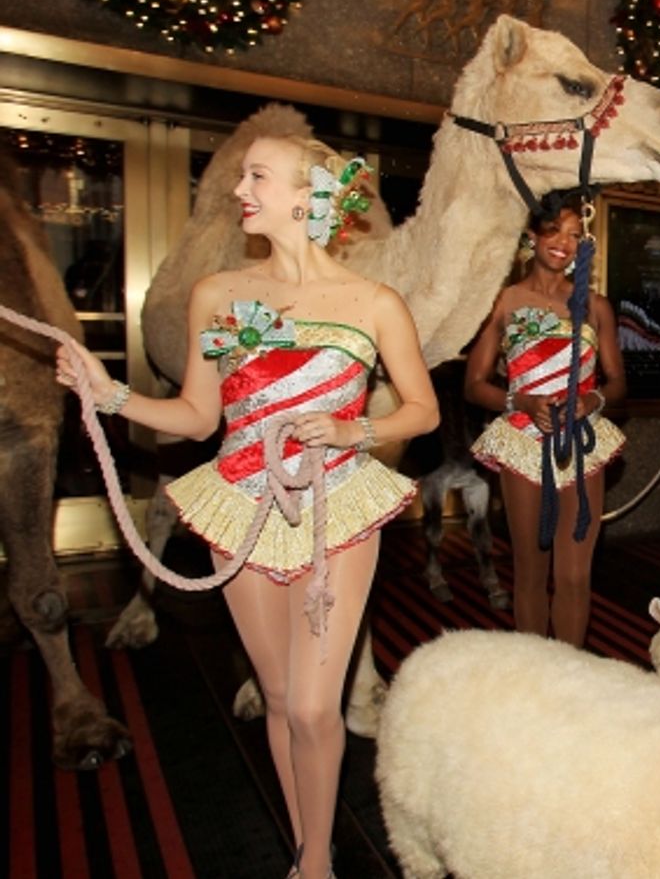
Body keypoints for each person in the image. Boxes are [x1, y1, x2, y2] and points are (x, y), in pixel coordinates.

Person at [57, 134, 440, 879]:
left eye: (256, 174)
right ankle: (308, 849)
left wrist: (354, 427)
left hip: (337, 504)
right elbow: (198, 417)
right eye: (242, 175)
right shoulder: (218, 293)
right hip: (240, 506)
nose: (239, 186)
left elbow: (422, 410)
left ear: (308, 195)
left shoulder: (374, 302)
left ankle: (319, 862)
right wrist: (106, 393)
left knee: (314, 708)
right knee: (274, 696)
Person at [466, 198, 626, 647]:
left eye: (575, 235)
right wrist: (521, 400)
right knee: (531, 573)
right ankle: (535, 676)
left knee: (575, 575)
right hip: (522, 441)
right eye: (555, 230)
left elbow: (618, 384)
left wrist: (592, 398)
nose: (564, 243)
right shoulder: (502, 302)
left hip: (582, 446)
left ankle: (569, 675)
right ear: (531, 235)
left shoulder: (596, 307)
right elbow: (474, 384)